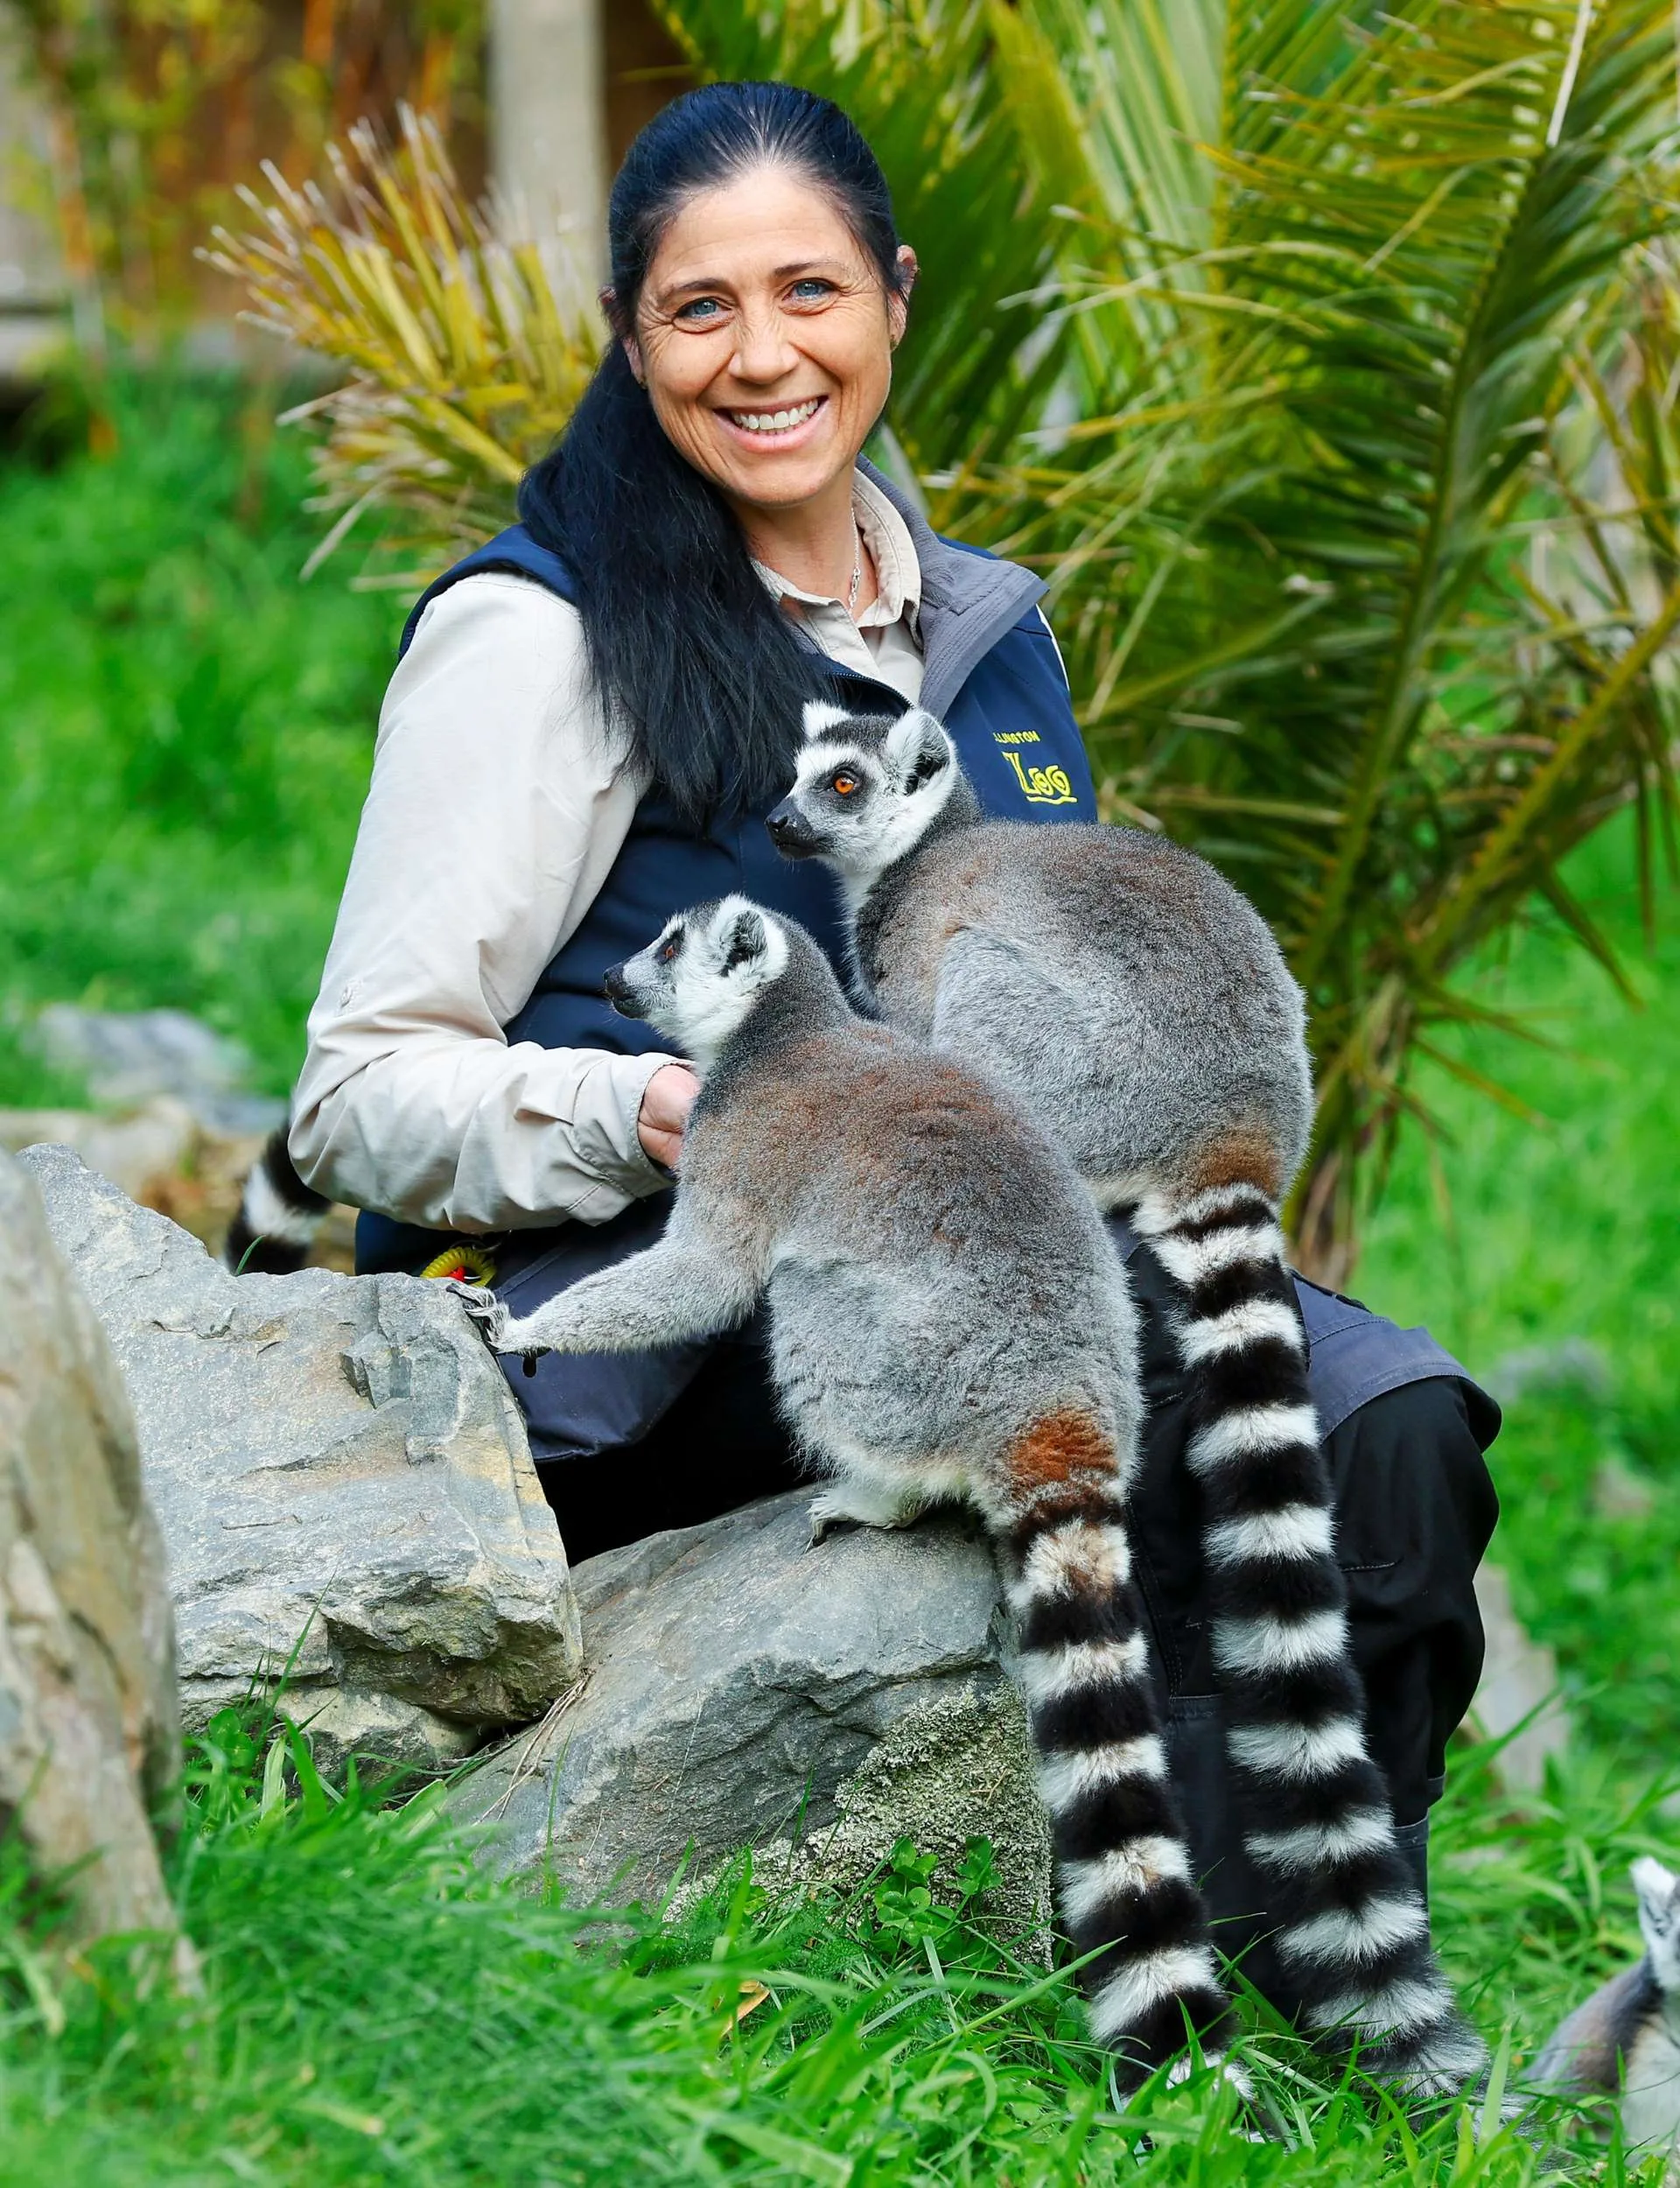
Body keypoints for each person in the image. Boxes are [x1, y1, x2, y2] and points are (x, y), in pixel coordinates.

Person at [290, 81, 1497, 1994]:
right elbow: (356, 1089)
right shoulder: (543, 638)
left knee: (1396, 1428)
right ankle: (1109, 1997)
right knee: (1185, 1448)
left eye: (810, 291)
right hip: (708, 1288)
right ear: (630, 333)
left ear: (895, 298)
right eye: (700, 309)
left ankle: (1311, 1987)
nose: (763, 356)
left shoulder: (984, 632)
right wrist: (667, 1105)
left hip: (986, 1220)